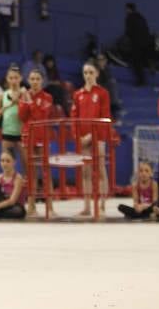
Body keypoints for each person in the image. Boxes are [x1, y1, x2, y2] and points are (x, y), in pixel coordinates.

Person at [71, 61, 112, 217]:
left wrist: (92, 136)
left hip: (98, 137)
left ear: (97, 74)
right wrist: (78, 137)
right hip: (83, 138)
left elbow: (105, 117)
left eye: (91, 72)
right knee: (85, 172)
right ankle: (87, 206)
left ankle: (101, 205)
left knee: (101, 169)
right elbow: (74, 117)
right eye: (85, 72)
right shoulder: (78, 94)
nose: (88, 76)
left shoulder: (103, 93)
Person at [18, 69, 53, 216]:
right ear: (28, 80)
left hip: (42, 136)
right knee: (30, 172)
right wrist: (26, 102)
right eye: (32, 79)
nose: (34, 82)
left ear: (42, 81)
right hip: (28, 135)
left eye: (37, 79)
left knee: (46, 171)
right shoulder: (24, 96)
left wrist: (30, 102)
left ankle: (50, 207)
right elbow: (22, 116)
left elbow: (40, 114)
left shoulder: (47, 97)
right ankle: (31, 206)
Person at [0, 150, 27, 219]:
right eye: (2, 161)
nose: (4, 163)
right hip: (0, 204)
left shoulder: (18, 178)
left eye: (8, 161)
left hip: (13, 205)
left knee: (18, 211)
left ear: (14, 162)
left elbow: (12, 201)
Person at [124, 3, 153, 86]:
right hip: (146, 43)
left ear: (128, 9)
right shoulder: (141, 17)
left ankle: (140, 81)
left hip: (136, 44)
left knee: (137, 63)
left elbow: (129, 32)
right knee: (143, 62)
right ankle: (150, 67)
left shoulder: (129, 18)